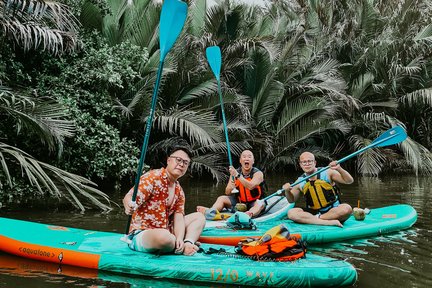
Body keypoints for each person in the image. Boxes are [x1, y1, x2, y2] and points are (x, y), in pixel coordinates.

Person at [123, 146, 205, 256]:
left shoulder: (179, 190)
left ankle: (187, 242)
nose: (181, 164)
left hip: (167, 230)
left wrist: (180, 238)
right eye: (178, 160)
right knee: (165, 238)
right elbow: (128, 197)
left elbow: (179, 217)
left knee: (199, 217)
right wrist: (128, 205)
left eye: (185, 163)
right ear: (168, 160)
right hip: (143, 233)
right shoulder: (152, 177)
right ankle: (178, 246)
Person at [283, 151, 354, 227]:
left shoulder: (328, 172)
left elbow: (349, 181)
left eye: (309, 161)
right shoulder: (300, 181)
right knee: (291, 212)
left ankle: (316, 220)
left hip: (333, 210)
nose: (307, 164)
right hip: (314, 212)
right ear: (300, 165)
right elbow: (291, 200)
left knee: (347, 209)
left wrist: (339, 169)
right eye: (304, 162)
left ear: (315, 163)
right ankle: (327, 222)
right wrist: (287, 191)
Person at [197, 150, 266, 218]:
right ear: (240, 161)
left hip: (254, 203)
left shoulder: (258, 174)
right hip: (239, 203)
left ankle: (248, 214)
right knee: (221, 198)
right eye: (244, 157)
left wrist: (238, 176)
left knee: (260, 204)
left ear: (253, 161)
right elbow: (227, 192)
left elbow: (251, 186)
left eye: (249, 157)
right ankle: (211, 212)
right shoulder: (234, 174)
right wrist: (231, 187)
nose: (246, 158)